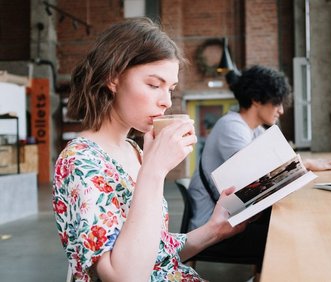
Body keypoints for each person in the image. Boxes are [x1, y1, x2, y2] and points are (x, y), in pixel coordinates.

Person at [52, 18, 245, 282]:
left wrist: (214, 229)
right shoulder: (81, 160)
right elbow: (124, 276)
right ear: (113, 78)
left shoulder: (134, 149)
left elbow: (155, 254)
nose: (166, 101)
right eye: (154, 85)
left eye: (171, 89)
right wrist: (154, 170)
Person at [187, 65, 331, 274]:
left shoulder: (255, 130)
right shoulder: (232, 127)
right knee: (287, 237)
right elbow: (261, 178)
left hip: (232, 218)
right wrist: (306, 165)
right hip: (212, 227)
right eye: (277, 102)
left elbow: (280, 165)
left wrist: (307, 164)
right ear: (257, 99)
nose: (281, 110)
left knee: (288, 228)